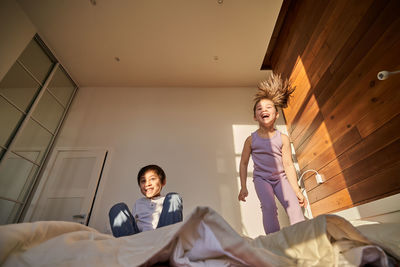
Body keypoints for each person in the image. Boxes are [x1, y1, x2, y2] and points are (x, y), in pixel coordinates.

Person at [238, 73, 307, 235]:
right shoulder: (250, 140)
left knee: (294, 206)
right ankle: (274, 240)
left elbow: (288, 165)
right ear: (255, 117)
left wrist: (296, 190)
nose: (264, 110)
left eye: (269, 107)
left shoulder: (283, 138)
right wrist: (243, 186)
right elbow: (243, 163)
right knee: (269, 207)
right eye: (259, 108)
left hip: (280, 177)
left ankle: (303, 237)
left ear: (276, 114)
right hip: (262, 178)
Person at [109, 164, 183, 237]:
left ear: (163, 182)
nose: (147, 184)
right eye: (143, 181)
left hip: (161, 237)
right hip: (139, 241)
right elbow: (132, 225)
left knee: (174, 197)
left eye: (152, 179)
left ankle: (168, 242)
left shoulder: (167, 201)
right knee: (117, 208)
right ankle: (127, 245)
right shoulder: (138, 203)